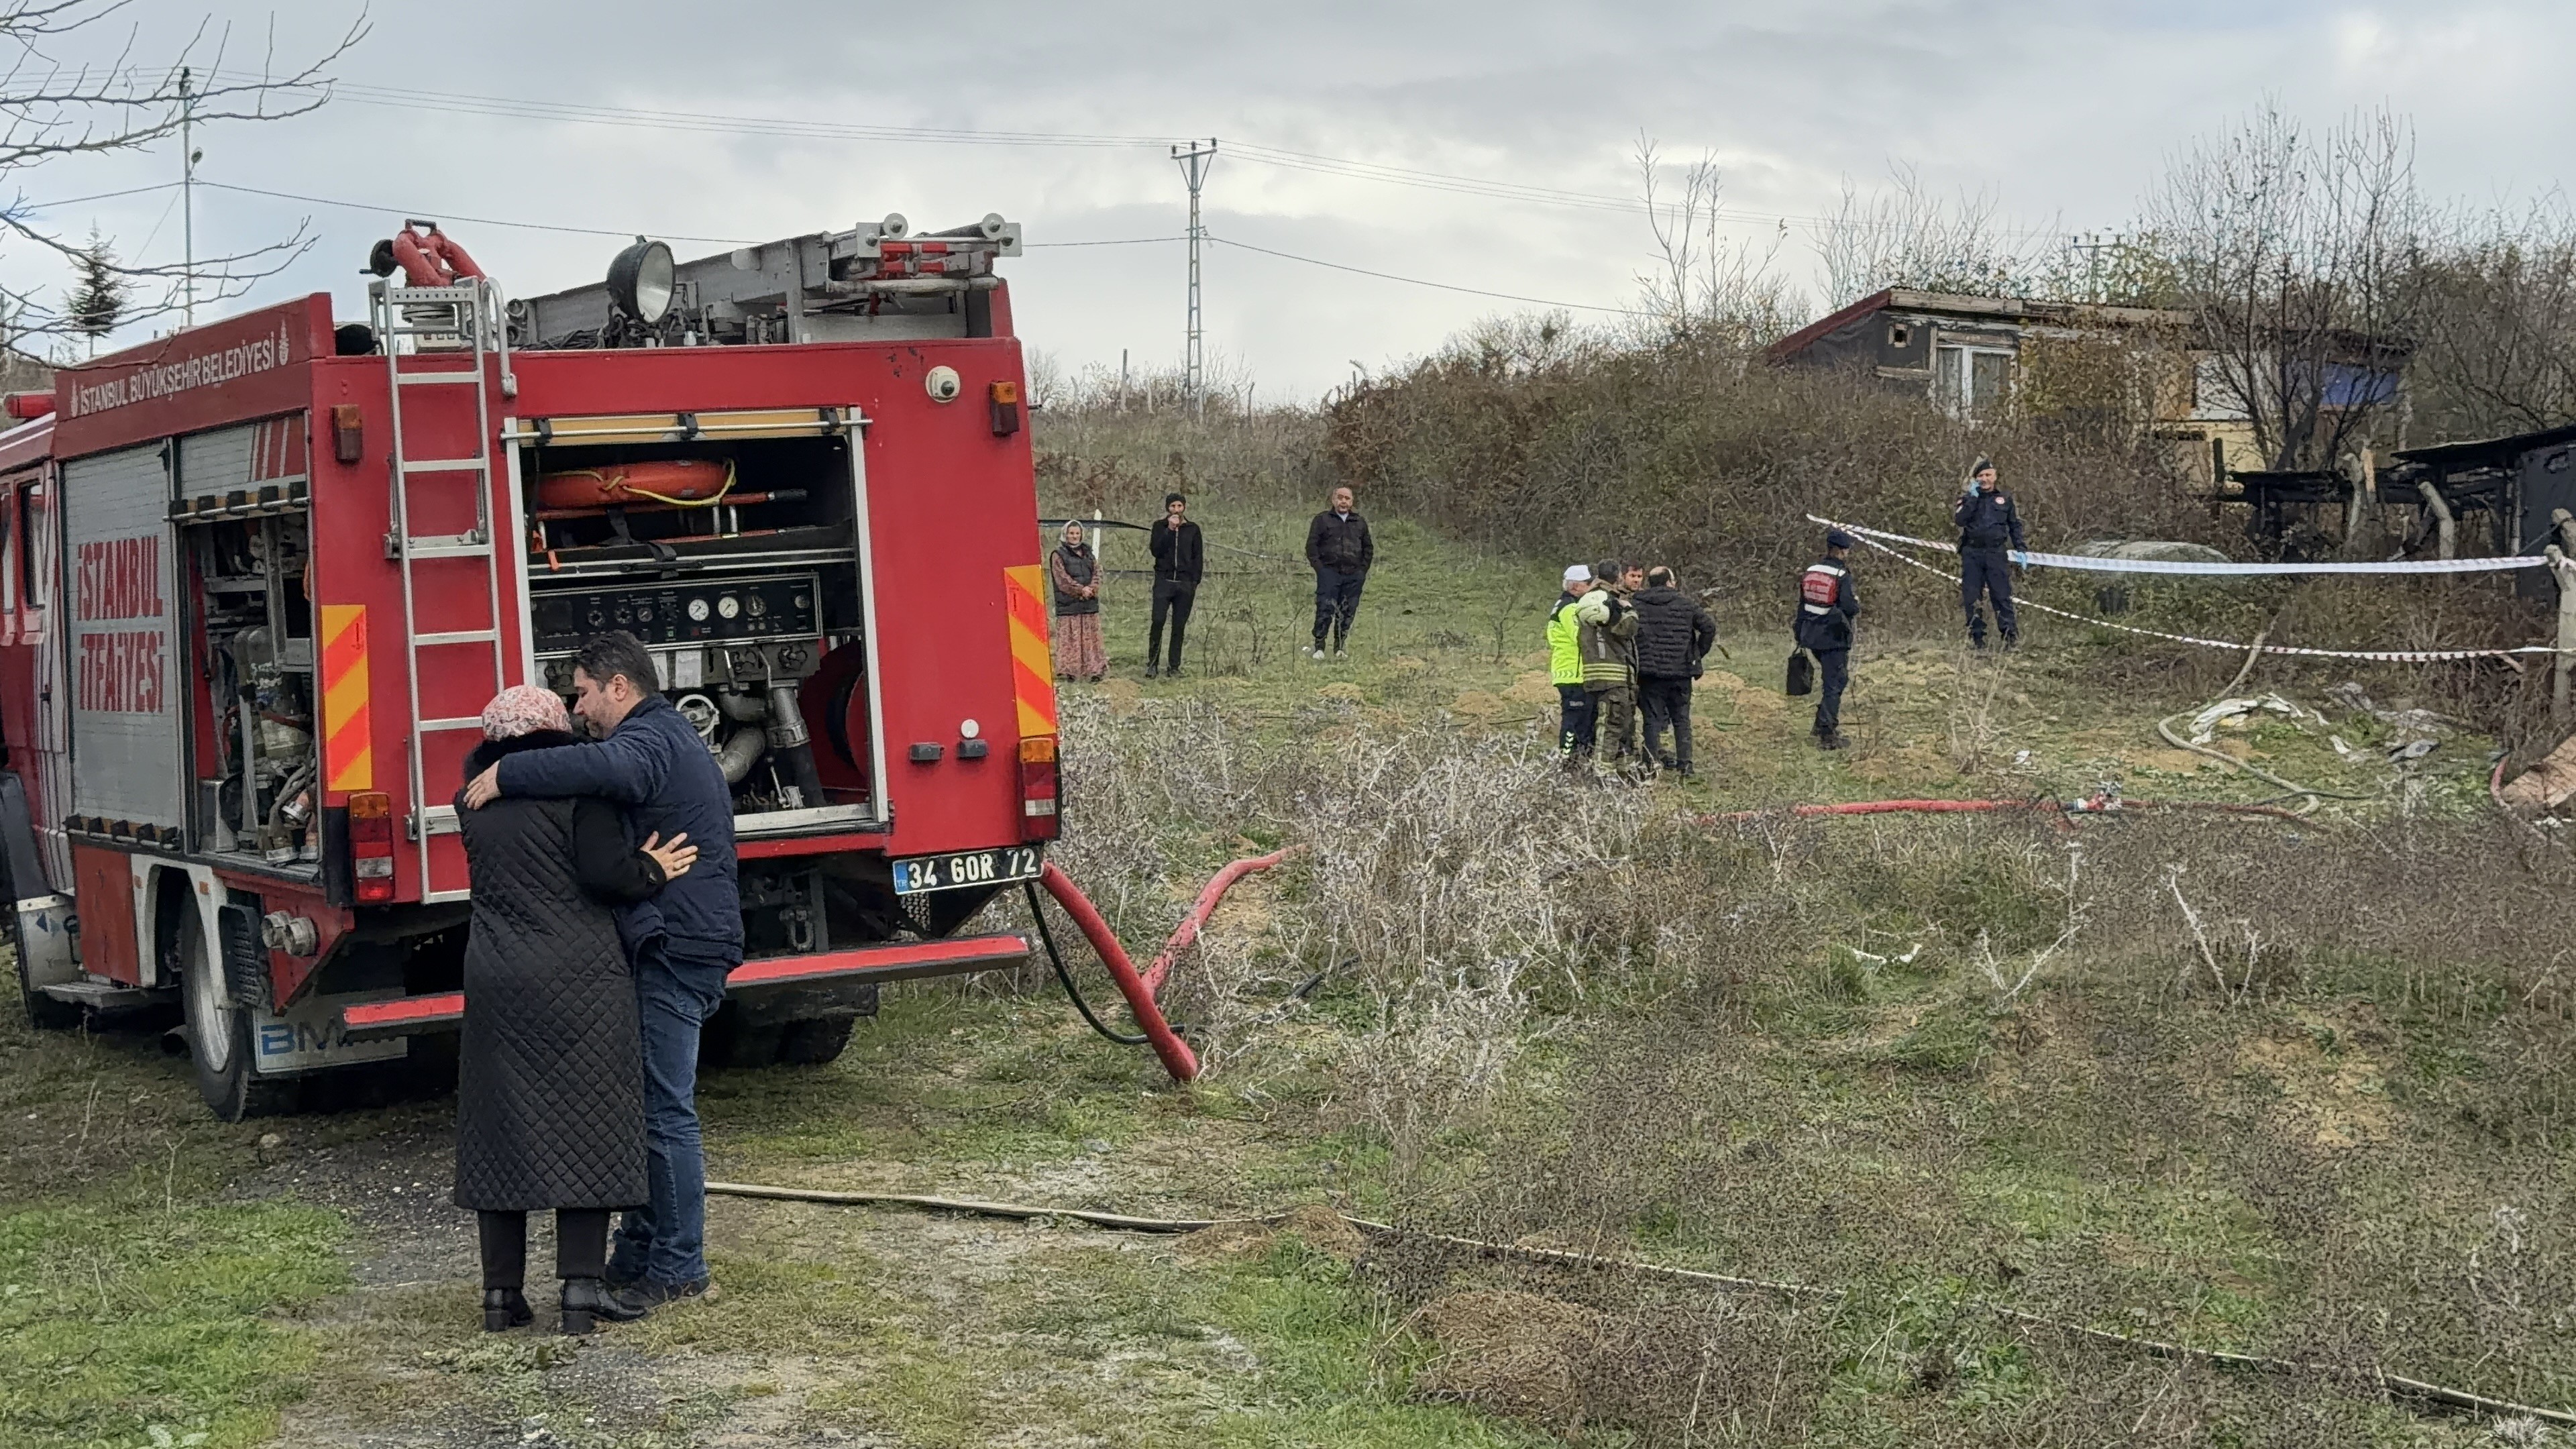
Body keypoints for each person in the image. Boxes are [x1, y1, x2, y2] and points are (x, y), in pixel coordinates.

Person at [462, 631, 741, 1312]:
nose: (579, 709)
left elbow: (603, 768)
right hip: (680, 940)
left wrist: (508, 774)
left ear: (620, 686)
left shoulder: (651, 739)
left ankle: (678, 1267)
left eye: (584, 692)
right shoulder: (664, 737)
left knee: (663, 1112)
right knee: (645, 1107)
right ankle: (636, 1256)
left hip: (676, 945)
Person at [1630, 566, 1717, 776]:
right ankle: (1685, 765)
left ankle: (1650, 766)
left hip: (1649, 673)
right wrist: (1696, 654)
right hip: (1680, 671)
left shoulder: (1636, 604)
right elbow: (1709, 627)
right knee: (1681, 719)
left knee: (1652, 720)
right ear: (1670, 582)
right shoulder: (1685, 603)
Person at [1795, 530, 1860, 750]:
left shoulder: (1812, 571)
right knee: (1835, 683)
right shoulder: (1842, 575)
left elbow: (1802, 605)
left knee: (1833, 680)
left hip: (1811, 636)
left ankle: (1820, 723)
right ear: (1841, 551)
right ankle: (1827, 734)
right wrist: (1856, 604)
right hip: (1834, 637)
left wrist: (1799, 633)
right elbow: (1849, 607)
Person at [1953, 458, 2025, 649]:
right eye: (1981, 476)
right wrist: (1973, 498)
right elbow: (1960, 520)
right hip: (1972, 553)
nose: (1984, 479)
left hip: (1996, 553)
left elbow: (2014, 525)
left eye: (1988, 475)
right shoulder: (1968, 499)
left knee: (2002, 596)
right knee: (1972, 598)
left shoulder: (2005, 499)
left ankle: (2010, 639)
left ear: (1995, 477)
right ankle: (1977, 640)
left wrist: (2021, 549)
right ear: (1976, 479)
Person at [1578, 559, 1641, 767]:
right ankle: (1603, 772)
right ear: (1618, 577)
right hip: (1614, 675)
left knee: (1612, 725)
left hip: (1594, 674)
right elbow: (1626, 629)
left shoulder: (1588, 599)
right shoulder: (1609, 601)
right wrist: (1630, 611)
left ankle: (1622, 770)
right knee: (1613, 726)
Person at [1305, 485, 1375, 660]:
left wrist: (1362, 571)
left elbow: (1368, 548)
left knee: (1347, 611)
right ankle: (1319, 647)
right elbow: (1312, 546)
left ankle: (1340, 648)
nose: (1343, 502)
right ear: (1333, 500)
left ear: (1352, 502)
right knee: (1325, 608)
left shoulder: (1359, 522)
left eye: (1347, 498)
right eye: (1340, 498)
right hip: (1329, 573)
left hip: (1353, 575)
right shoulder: (1322, 520)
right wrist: (1320, 569)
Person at [1146, 492, 1203, 678]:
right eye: (1173, 506)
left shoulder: (1193, 529)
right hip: (1164, 582)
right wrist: (1170, 530)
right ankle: (1152, 664)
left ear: (1184, 507)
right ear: (1167, 508)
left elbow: (1198, 557)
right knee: (1158, 621)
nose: (1176, 510)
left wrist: (1194, 582)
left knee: (1179, 626)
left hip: (1185, 584)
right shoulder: (1159, 527)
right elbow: (1156, 551)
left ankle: (1174, 666)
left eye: (1179, 506)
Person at [1546, 565, 1597, 764]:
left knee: (1583, 722)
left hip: (1572, 673)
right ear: (1576, 586)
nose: (1591, 587)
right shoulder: (1569, 608)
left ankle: (1578, 761)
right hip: (1573, 675)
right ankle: (1568, 760)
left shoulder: (1565, 605)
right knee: (1574, 723)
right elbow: (1581, 637)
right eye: (1588, 583)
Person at [1048, 520, 1106, 682]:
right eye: (1071, 533)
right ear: (1065, 535)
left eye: (1077, 533)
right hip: (1069, 603)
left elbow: (1097, 572)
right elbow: (1062, 579)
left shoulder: (1088, 553)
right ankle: (1070, 671)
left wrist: (1092, 588)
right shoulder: (1058, 555)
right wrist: (1081, 590)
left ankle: (1094, 670)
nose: (1074, 536)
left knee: (1090, 638)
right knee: (1071, 638)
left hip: (1088, 603)